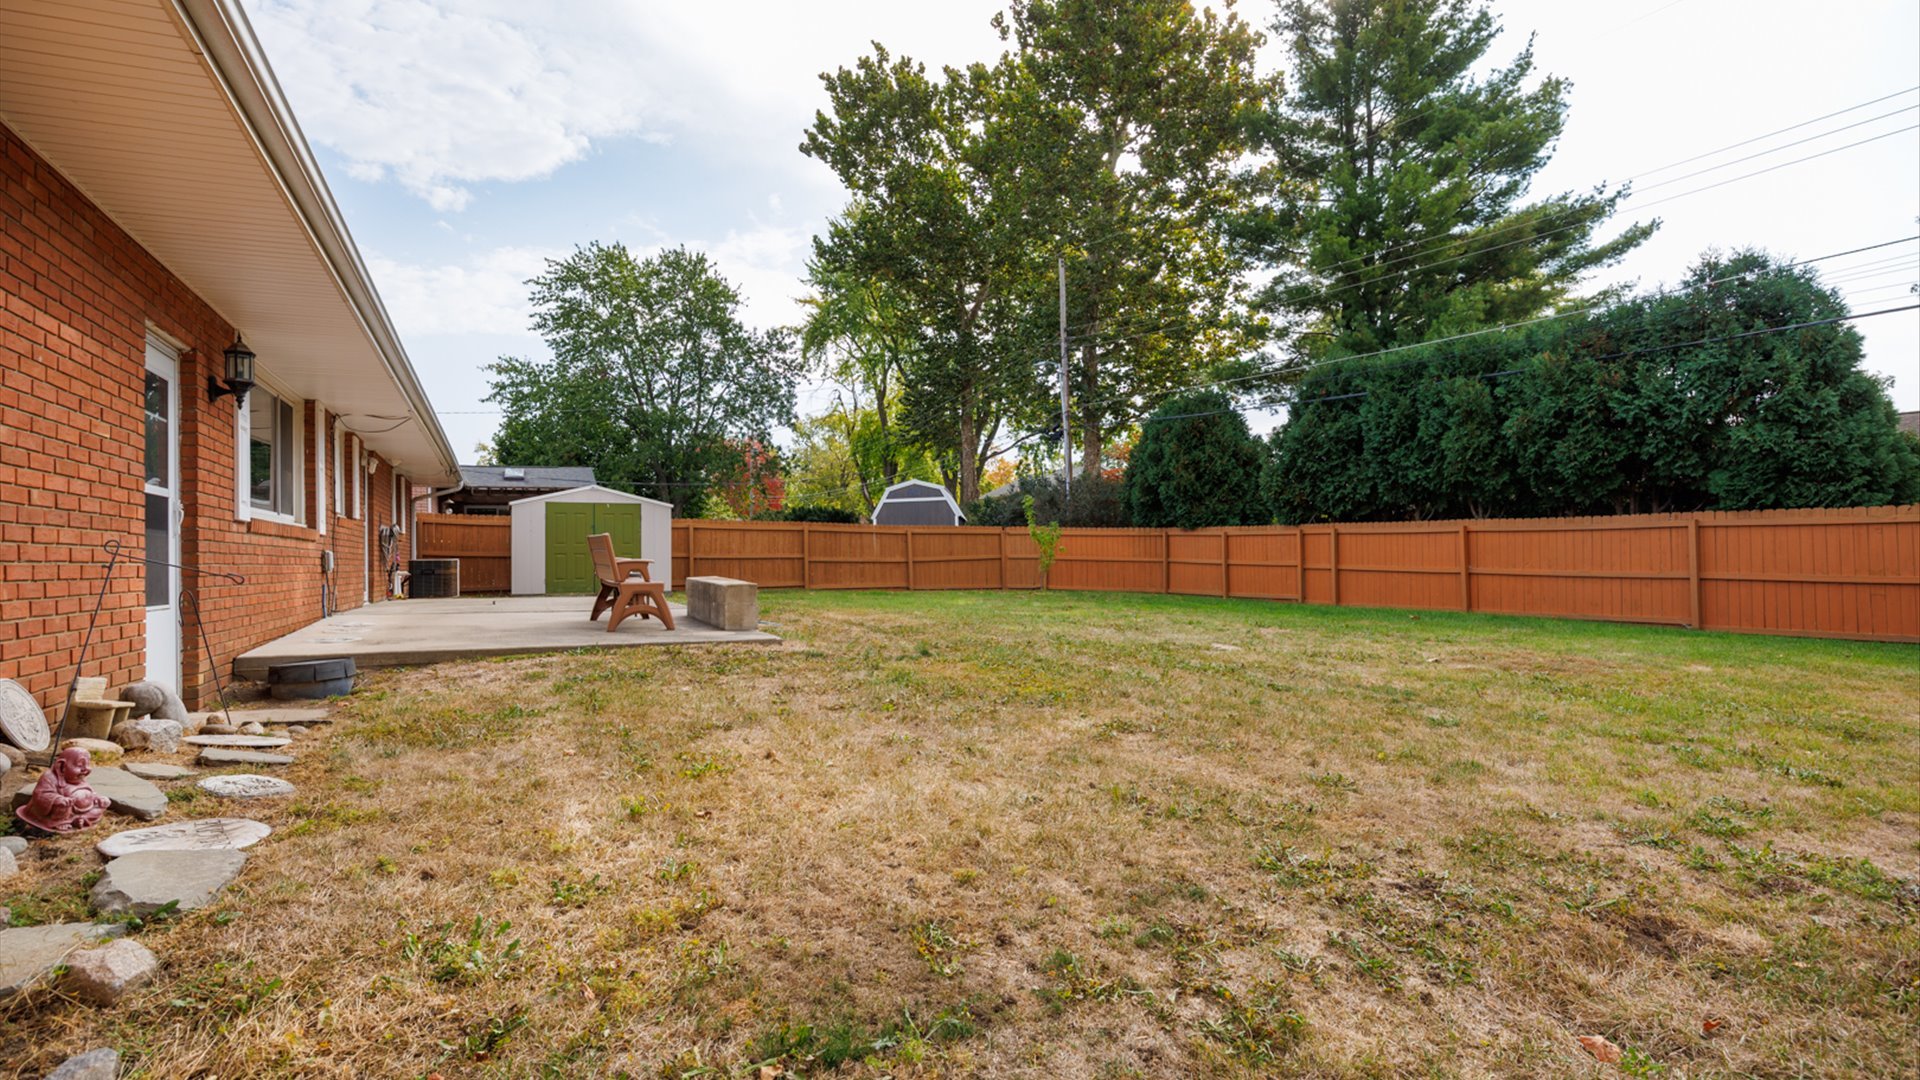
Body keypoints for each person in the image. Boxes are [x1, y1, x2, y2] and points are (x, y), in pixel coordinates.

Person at [14, 745, 108, 833]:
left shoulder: (79, 777)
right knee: (63, 806)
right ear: (62, 766)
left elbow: (89, 791)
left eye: (87, 764)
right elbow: (41, 794)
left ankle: (82, 818)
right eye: (79, 765)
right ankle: (60, 822)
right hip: (61, 811)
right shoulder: (49, 777)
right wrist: (57, 799)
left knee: (102, 806)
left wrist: (98, 798)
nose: (85, 769)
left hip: (81, 809)